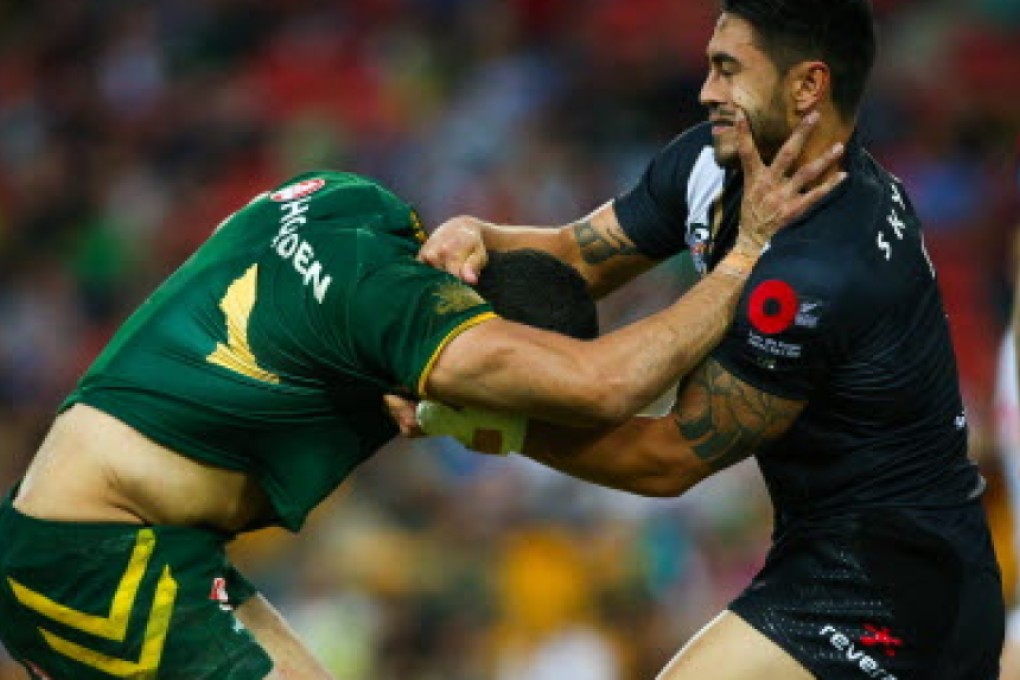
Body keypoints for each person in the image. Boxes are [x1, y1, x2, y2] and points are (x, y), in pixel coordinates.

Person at [0, 118, 841, 680]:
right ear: (472, 345)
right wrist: (747, 256)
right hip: (95, 556)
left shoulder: (350, 202)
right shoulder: (409, 325)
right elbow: (609, 385)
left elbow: (252, 284)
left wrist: (476, 247)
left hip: (142, 537)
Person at [416, 0, 1006, 677]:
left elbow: (667, 459)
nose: (707, 92)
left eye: (729, 70)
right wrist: (481, 237)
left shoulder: (824, 267)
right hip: (822, 557)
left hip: (901, 595)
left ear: (807, 86)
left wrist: (486, 418)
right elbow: (574, 257)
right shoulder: (712, 162)